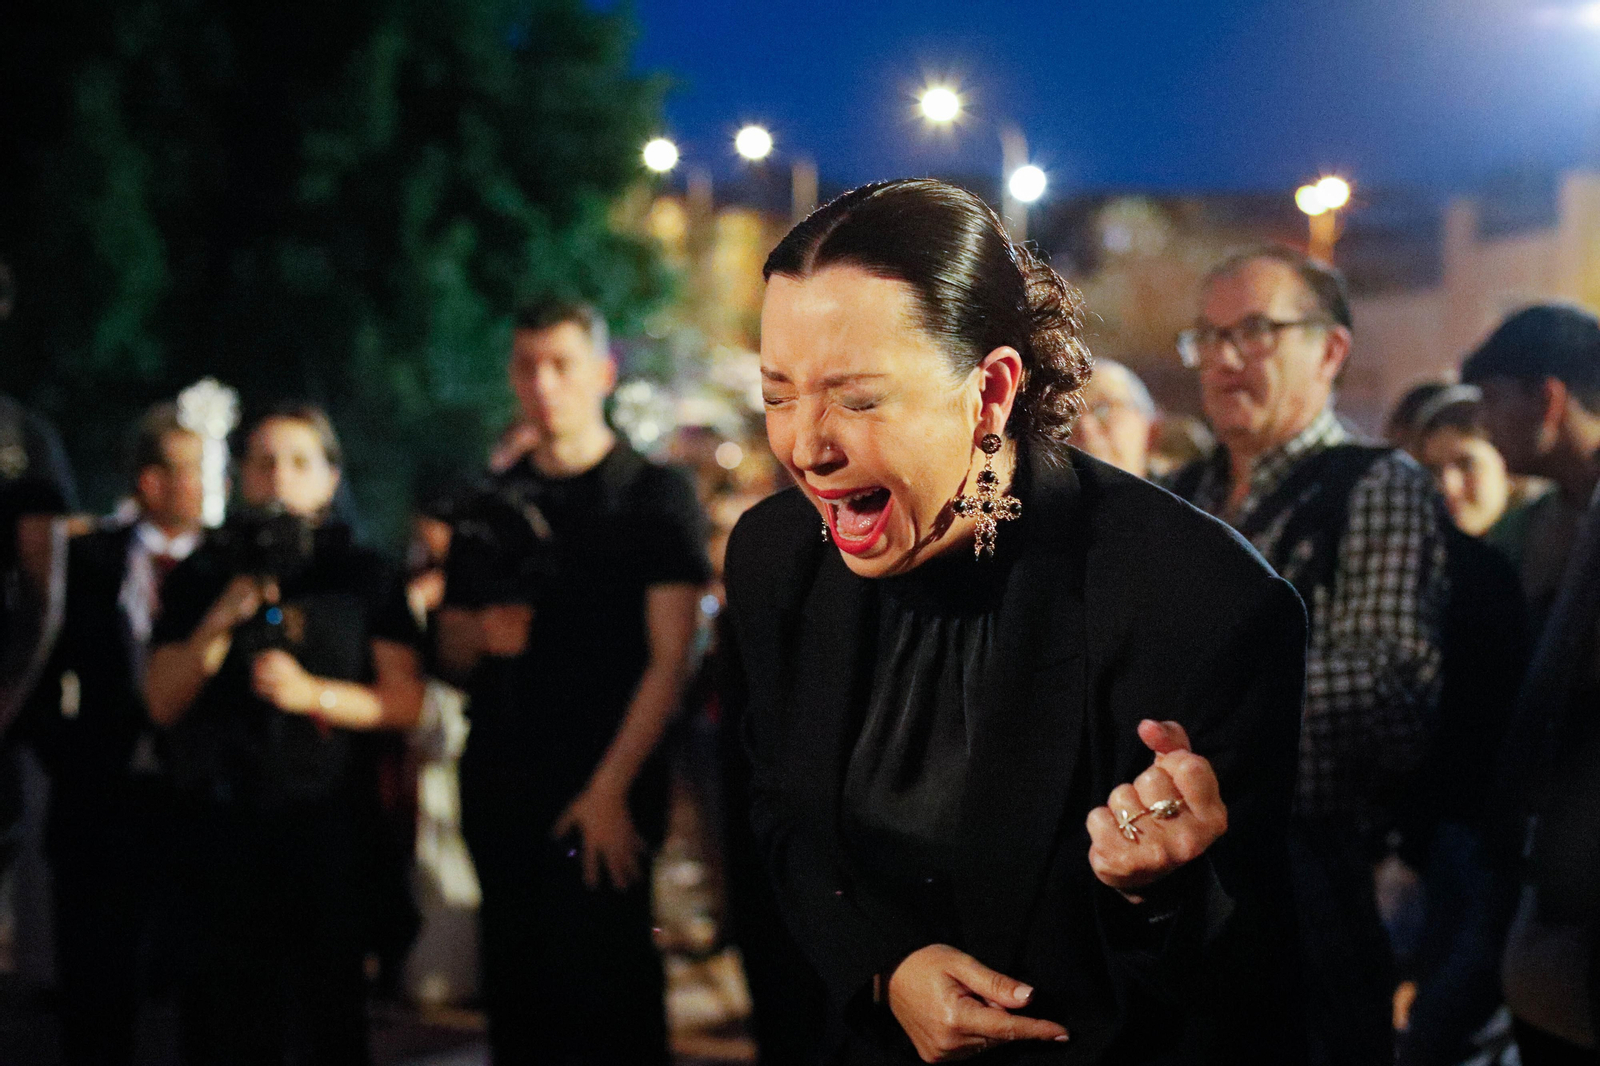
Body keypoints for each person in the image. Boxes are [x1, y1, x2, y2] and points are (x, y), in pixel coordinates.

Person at [721, 179, 1308, 1065]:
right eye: (778, 393)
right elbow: (779, 816)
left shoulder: (1201, 604)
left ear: (992, 391)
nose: (807, 445)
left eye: (857, 398)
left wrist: (1163, 889)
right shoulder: (775, 560)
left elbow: (1249, 977)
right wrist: (884, 969)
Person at [1169, 247, 1449, 1066]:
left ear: (1330, 349)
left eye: (1253, 332)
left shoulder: (1375, 485)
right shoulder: (1179, 493)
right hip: (1172, 883)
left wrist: (1189, 719)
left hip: (1308, 879)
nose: (1222, 358)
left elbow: (1389, 684)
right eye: (1207, 336)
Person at [436, 300, 709, 1065]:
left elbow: (670, 657)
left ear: (602, 373)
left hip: (606, 783)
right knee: (520, 1007)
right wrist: (478, 634)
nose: (543, 383)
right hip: (503, 782)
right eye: (527, 366)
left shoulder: (653, 495)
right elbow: (449, 649)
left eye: (561, 364)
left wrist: (611, 788)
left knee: (610, 1000)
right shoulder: (492, 502)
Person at [144, 405, 424, 1066]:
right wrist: (222, 618)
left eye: (300, 462)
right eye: (264, 462)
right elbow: (159, 701)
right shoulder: (202, 575)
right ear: (242, 475)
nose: (279, 478)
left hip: (326, 830)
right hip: (218, 830)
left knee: (322, 1020)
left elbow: (406, 701)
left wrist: (314, 694)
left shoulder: (364, 577)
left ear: (330, 478)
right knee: (222, 1024)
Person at [31, 404, 203, 1066]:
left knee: (190, 981)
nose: (200, 488)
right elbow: (39, 658)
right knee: (96, 982)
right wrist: (66, 755)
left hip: (193, 800)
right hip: (98, 798)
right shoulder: (86, 560)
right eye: (186, 471)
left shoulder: (226, 570)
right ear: (150, 481)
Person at [1461, 305, 1600, 1065]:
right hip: (1549, 878)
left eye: (1491, 403)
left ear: (1547, 398)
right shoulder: (1549, 520)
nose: (1483, 427)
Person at [1070, 358, 1157, 478]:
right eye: (1068, 415)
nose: (1084, 428)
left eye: (1103, 409)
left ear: (1150, 430)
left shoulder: (1185, 492)